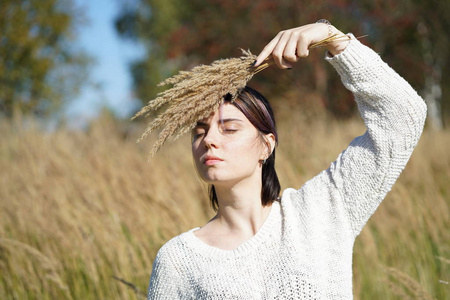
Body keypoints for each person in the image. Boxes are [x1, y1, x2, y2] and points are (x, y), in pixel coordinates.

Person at [147, 21, 427, 299]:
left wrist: (333, 38)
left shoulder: (320, 213)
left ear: (266, 146)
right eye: (199, 131)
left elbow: (404, 117)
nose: (209, 139)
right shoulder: (179, 260)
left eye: (229, 128)